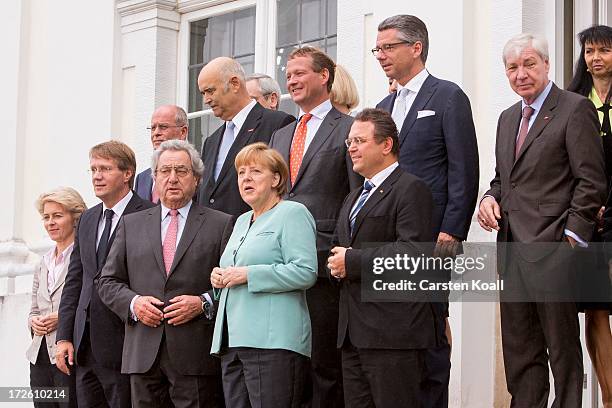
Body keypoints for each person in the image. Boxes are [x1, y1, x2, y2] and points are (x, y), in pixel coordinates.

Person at [478, 33, 607, 407]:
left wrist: (571, 238)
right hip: (512, 251)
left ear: (547, 65)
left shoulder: (574, 108)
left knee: (562, 351)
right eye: (512, 67)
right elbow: (505, 179)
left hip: (555, 250)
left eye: (529, 64)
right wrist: (489, 198)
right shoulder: (506, 118)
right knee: (520, 350)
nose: (521, 74)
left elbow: (591, 180)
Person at [374, 15, 479, 407]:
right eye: (377, 49)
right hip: (388, 241)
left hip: (432, 239)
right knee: (396, 333)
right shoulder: (383, 106)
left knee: (431, 333)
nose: (380, 55)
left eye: (388, 47)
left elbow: (463, 169)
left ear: (415, 47)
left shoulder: (447, 96)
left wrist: (453, 229)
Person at [98, 140, 232, 407]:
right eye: (164, 171)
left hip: (195, 355)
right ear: (154, 178)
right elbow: (108, 281)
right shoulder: (131, 224)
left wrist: (203, 302)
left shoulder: (222, 224)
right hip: (142, 355)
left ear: (196, 179)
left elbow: (231, 285)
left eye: (181, 171)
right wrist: (134, 303)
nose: (172, 178)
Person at [269, 46, 363, 408]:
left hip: (324, 262)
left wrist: (345, 250)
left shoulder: (349, 127)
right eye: (288, 74)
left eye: (299, 73)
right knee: (293, 365)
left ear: (324, 76)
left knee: (326, 365)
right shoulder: (281, 135)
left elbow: (356, 196)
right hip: (281, 265)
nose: (291, 80)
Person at [328, 108, 437, 407]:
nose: (351, 147)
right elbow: (341, 247)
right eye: (349, 141)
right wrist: (335, 265)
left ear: (386, 145)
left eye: (359, 140)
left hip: (393, 337)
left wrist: (351, 262)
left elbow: (414, 255)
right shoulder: (352, 198)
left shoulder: (411, 189)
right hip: (353, 335)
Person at [210, 142, 317, 407]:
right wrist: (219, 279)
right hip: (232, 342)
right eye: (241, 172)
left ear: (276, 178)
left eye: (255, 171)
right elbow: (234, 273)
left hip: (273, 343)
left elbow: (305, 272)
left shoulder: (292, 213)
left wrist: (249, 274)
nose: (246, 178)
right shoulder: (241, 221)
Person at [56, 141, 154, 408]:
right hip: (84, 347)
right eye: (93, 169)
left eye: (105, 169)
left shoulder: (149, 214)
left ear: (127, 173)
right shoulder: (87, 218)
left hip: (125, 342)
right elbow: (75, 281)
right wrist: (64, 336)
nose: (97, 176)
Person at [567, 24, 612, 407]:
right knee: (595, 309)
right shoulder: (573, 99)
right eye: (590, 51)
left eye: (605, 50)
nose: (596, 58)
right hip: (590, 220)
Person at [197, 57, 294, 217]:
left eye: (210, 91)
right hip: (213, 238)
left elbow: (284, 187)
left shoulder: (278, 124)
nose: (206, 100)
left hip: (257, 233)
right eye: (203, 93)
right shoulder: (211, 142)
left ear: (235, 84)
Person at [27, 187, 86, 408]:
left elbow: (86, 302)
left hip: (68, 354)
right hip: (39, 357)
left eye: (58, 216)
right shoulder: (42, 263)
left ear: (75, 218)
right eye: (46, 217)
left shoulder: (84, 259)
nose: (50, 222)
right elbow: (33, 309)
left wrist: (62, 318)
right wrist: (33, 321)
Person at [134, 105, 188, 203]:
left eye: (163, 127)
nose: (156, 133)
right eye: (153, 128)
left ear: (183, 132)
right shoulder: (142, 178)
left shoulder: (194, 172)